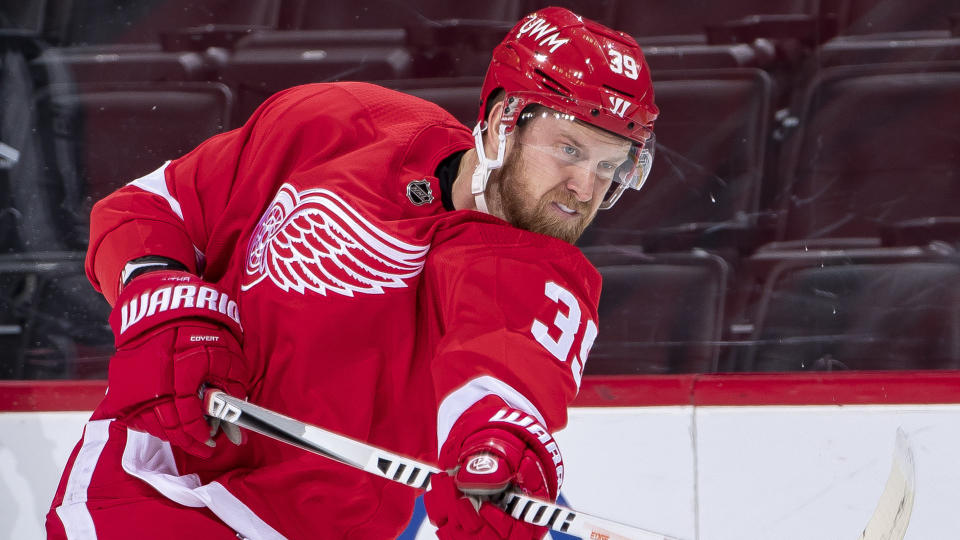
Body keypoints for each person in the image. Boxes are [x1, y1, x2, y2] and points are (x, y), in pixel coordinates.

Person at [46, 6, 658, 539]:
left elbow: (505, 387)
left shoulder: (539, 276)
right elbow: (151, 208)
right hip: (148, 477)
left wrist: (501, 454)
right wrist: (160, 293)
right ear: (504, 121)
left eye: (610, 166)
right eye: (570, 149)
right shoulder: (338, 125)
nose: (584, 187)